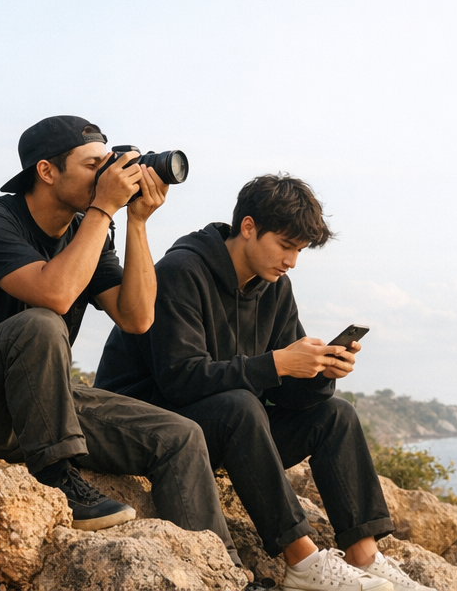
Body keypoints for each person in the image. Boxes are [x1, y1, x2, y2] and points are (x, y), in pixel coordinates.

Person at [96, 173, 437, 591]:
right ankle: (303, 561)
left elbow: (286, 389)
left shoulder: (275, 288)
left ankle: (363, 556)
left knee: (334, 414)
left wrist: (319, 373)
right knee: (240, 405)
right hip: (150, 424)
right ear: (249, 227)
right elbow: (179, 380)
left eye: (299, 250)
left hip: (227, 427)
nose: (291, 260)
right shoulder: (181, 271)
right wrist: (276, 363)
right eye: (286, 245)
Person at [0, 115, 235, 557]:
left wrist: (137, 222)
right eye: (92, 165)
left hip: (38, 401)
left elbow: (137, 317)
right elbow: (55, 294)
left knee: (179, 436)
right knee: (42, 322)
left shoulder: (84, 233)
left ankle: (220, 568)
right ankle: (58, 476)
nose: (105, 175)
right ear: (46, 171)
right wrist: (103, 209)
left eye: (108, 163)